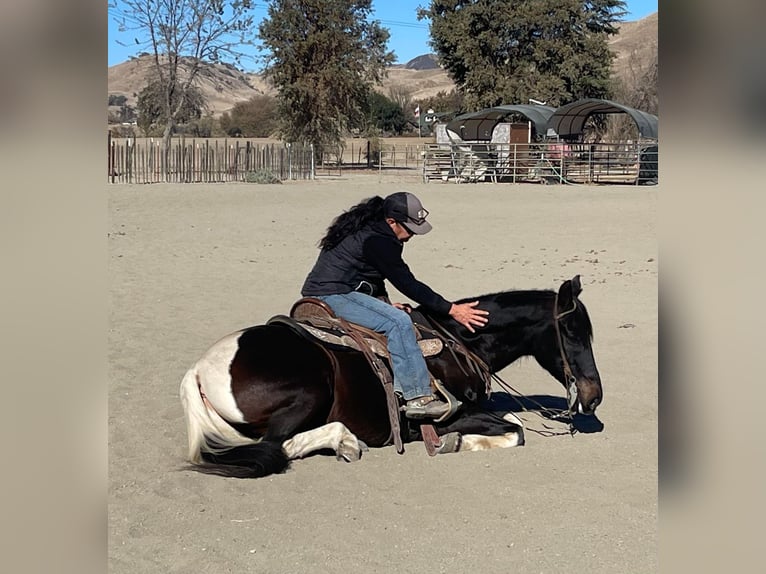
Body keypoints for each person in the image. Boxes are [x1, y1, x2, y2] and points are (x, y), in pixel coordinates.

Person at [301, 191, 489, 419]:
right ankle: (417, 398)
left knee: (393, 314)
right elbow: (407, 283)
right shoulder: (378, 240)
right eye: (409, 229)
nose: (411, 236)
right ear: (391, 221)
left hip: (338, 289)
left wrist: (384, 303)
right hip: (333, 294)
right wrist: (452, 309)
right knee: (399, 323)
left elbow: (371, 274)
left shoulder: (371, 228)